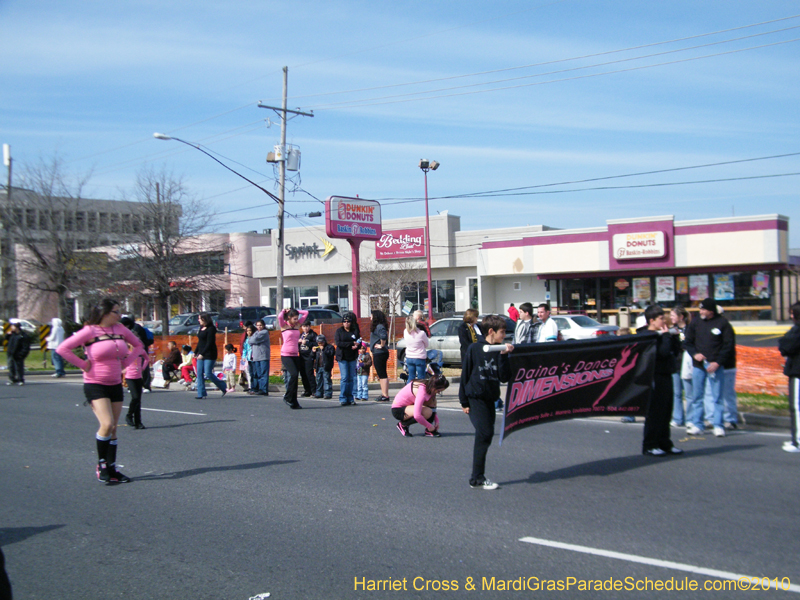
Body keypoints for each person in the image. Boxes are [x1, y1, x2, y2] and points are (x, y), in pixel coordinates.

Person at [56, 298, 144, 484]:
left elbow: (138, 345)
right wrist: (83, 364)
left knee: (113, 429)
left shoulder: (120, 329)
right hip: (95, 383)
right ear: (105, 313)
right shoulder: (90, 331)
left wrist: (126, 363)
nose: (120, 315)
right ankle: (102, 465)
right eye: (116, 311)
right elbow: (63, 349)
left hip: (114, 383)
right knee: (107, 423)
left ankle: (112, 468)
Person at [459, 314, 513, 490]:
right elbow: (465, 374)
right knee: (484, 432)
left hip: (490, 398)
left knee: (486, 435)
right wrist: (463, 401)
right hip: (475, 397)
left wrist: (504, 356)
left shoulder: (499, 350)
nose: (504, 336)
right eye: (502, 332)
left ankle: (476, 477)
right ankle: (477, 478)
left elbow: (504, 377)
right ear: (491, 331)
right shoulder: (474, 349)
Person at [683, 298, 734, 437]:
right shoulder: (696, 322)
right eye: (700, 309)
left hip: (715, 366)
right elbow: (687, 342)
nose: (701, 311)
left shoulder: (723, 323)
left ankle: (718, 425)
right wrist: (695, 354)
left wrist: (718, 362)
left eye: (703, 309)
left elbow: (728, 345)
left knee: (717, 397)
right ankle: (697, 424)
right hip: (699, 365)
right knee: (697, 396)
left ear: (711, 311)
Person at [638, 305, 683, 456]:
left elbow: (674, 352)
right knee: (655, 412)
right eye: (661, 318)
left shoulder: (664, 334)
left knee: (666, 411)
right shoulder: (647, 336)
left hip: (667, 373)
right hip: (654, 376)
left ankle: (665, 443)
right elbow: (662, 353)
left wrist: (674, 337)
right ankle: (650, 445)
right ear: (652, 320)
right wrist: (665, 337)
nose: (665, 321)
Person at [778, 301, 800, 453]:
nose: (790, 316)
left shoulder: (797, 330)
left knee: (796, 407)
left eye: (792, 313)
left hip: (798, 372)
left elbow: (785, 345)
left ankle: (797, 441)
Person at [278, 307, 309, 409]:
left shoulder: (297, 325)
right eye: (294, 318)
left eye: (297, 318)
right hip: (286, 354)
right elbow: (279, 317)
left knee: (295, 378)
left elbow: (306, 312)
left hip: (295, 354)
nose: (296, 321)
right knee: (294, 374)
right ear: (289, 318)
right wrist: (284, 311)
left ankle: (294, 401)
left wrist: (296, 311)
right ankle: (287, 396)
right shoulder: (284, 325)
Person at [193, 312, 228, 399]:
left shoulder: (211, 329)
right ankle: (201, 393)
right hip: (201, 353)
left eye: (200, 319)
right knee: (199, 373)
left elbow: (209, 343)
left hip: (209, 354)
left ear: (205, 319)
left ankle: (223, 386)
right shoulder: (201, 328)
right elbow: (200, 341)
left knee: (208, 373)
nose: (198, 320)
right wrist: (196, 351)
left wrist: (202, 354)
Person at [668, 306, 693, 428]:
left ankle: (691, 418)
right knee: (676, 393)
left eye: (673, 315)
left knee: (689, 393)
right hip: (676, 364)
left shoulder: (690, 329)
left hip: (688, 364)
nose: (671, 317)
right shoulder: (672, 330)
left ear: (681, 317)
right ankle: (677, 418)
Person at [120, 316, 153, 392]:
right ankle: (132, 386)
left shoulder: (135, 328)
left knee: (142, 367)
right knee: (132, 367)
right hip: (133, 349)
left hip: (140, 349)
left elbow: (138, 340)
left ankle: (146, 385)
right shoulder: (130, 328)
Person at [335, 311, 361, 406]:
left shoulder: (354, 331)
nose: (346, 323)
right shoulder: (339, 331)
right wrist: (351, 344)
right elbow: (339, 343)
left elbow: (359, 342)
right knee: (345, 378)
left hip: (352, 357)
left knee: (351, 378)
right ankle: (343, 397)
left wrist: (356, 346)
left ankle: (350, 397)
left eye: (348, 321)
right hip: (343, 357)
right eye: (345, 321)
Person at [124, 343, 149, 430]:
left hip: (138, 377)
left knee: (138, 400)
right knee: (135, 397)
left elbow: (147, 358)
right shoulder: (125, 351)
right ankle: (129, 415)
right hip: (129, 377)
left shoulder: (140, 351)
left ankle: (138, 422)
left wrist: (142, 368)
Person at [369, 309, 391, 402]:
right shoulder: (378, 327)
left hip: (380, 353)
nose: (370, 317)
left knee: (382, 374)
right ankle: (383, 394)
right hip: (378, 353)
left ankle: (385, 395)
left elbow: (383, 336)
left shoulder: (379, 327)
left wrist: (381, 345)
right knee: (380, 374)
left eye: (371, 316)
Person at [403, 311, 429, 382]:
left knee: (411, 377)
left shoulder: (405, 332)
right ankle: (420, 391)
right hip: (419, 357)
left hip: (409, 356)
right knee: (421, 377)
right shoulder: (421, 333)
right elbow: (427, 345)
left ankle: (409, 392)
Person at [248, 320, 271, 396]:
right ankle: (260, 388)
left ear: (263, 325)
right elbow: (250, 340)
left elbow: (254, 340)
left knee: (264, 373)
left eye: (260, 325)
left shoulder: (264, 332)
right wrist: (252, 340)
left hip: (263, 356)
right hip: (256, 356)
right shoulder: (256, 333)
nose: (259, 327)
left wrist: (253, 340)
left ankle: (264, 389)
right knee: (259, 373)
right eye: (257, 325)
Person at [6, 320, 30, 386]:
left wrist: (21, 354)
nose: (11, 327)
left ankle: (20, 379)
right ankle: (12, 379)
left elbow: (26, 347)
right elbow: (7, 340)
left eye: (12, 326)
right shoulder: (12, 334)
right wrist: (8, 335)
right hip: (11, 353)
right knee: (11, 367)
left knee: (19, 367)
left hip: (18, 354)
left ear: (16, 327)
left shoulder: (23, 336)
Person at [298, 321, 317, 397]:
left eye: (307, 326)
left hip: (309, 356)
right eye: (304, 326)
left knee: (309, 373)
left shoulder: (313, 335)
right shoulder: (301, 335)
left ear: (310, 326)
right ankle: (307, 390)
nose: (305, 328)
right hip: (301, 356)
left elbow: (316, 344)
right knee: (303, 374)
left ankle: (313, 390)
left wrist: (307, 343)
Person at [312, 334, 335, 398]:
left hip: (326, 366)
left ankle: (328, 393)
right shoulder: (317, 348)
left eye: (321, 343)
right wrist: (313, 352)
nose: (320, 345)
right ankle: (319, 393)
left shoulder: (329, 347)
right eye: (319, 343)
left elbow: (331, 354)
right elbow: (312, 357)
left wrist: (324, 350)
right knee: (319, 380)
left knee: (327, 380)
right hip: (318, 366)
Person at [241, 324, 254, 392]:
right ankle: (249, 386)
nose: (248, 332)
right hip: (247, 358)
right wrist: (243, 356)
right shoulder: (246, 340)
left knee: (252, 372)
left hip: (253, 357)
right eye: (247, 331)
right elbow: (245, 349)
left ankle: (253, 386)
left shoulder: (254, 338)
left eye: (250, 331)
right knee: (248, 372)